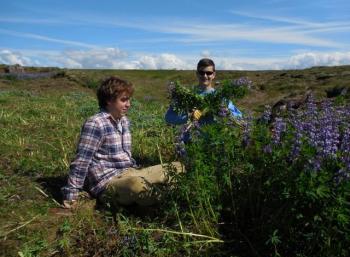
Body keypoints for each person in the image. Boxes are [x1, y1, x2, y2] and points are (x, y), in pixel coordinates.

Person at [61, 76, 183, 209]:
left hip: (130, 172)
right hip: (107, 182)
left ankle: (166, 194)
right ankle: (168, 198)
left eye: (128, 99)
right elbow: (81, 161)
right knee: (136, 185)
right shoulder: (96, 123)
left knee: (178, 167)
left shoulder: (123, 121)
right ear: (109, 101)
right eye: (123, 100)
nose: (128, 104)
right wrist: (71, 195)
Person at [165, 58, 243, 140]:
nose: (205, 76)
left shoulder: (220, 97)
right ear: (197, 74)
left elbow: (239, 116)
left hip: (213, 143)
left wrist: (227, 113)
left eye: (208, 73)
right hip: (190, 143)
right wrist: (189, 116)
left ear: (213, 75)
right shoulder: (185, 95)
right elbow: (169, 117)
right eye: (201, 73)